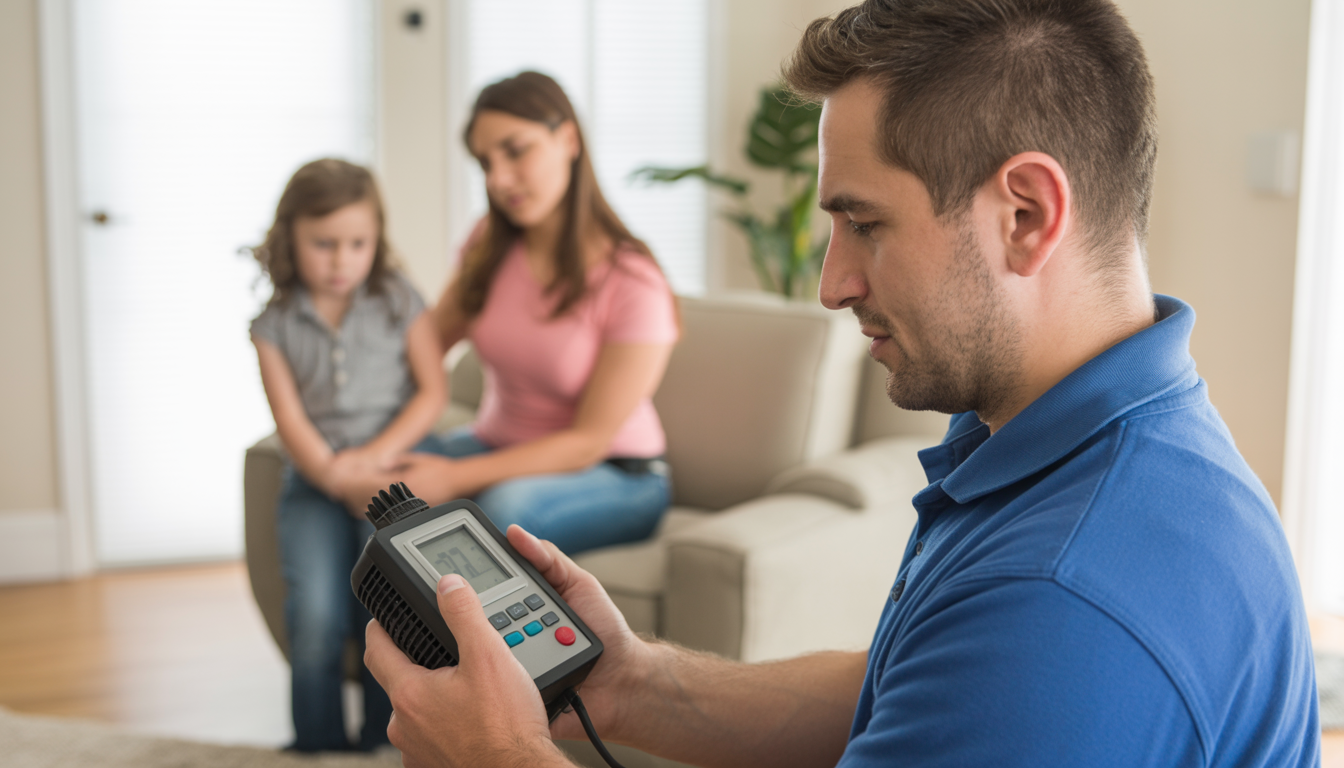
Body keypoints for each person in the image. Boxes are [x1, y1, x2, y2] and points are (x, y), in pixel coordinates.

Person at [363, 1, 1321, 765]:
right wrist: (633, 681)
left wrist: (503, 756)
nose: (831, 284)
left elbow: (1000, 670)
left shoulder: (1061, 607)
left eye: (864, 223)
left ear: (1025, 215)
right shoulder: (1095, 443)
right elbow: (911, 687)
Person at [347, 71, 679, 556]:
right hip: (496, 444)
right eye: (486, 162)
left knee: (501, 511)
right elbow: (425, 345)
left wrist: (454, 477)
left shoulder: (633, 281)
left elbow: (587, 442)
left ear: (568, 140)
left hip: (616, 473)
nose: (498, 179)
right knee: (387, 493)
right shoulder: (488, 241)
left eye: (516, 151)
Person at [249, 158, 446, 752]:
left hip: (393, 473)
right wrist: (335, 476)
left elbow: (432, 393)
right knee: (314, 611)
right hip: (315, 479)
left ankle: (386, 742)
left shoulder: (400, 300)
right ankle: (316, 746)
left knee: (387, 606)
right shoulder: (273, 325)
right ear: (290, 238)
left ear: (377, 238)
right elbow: (290, 420)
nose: (342, 259)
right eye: (324, 244)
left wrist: (374, 460)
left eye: (358, 243)